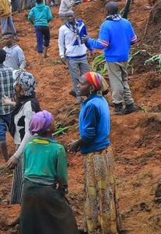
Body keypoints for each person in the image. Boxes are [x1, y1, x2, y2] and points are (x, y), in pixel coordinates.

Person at [69, 72, 120, 234]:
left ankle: (99, 228)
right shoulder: (100, 100)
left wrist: (76, 143)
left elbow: (89, 134)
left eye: (82, 84)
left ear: (91, 88)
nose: (78, 86)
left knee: (96, 192)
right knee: (106, 190)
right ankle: (109, 225)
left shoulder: (91, 105)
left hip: (96, 155)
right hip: (105, 151)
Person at [17, 111, 77, 234]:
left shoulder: (29, 146)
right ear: (49, 128)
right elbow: (61, 175)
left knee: (31, 221)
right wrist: (63, 188)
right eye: (53, 121)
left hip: (28, 190)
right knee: (65, 218)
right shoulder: (57, 149)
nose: (55, 123)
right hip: (47, 191)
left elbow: (25, 169)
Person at [88, 2, 139, 115]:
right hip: (125, 56)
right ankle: (129, 103)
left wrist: (89, 41)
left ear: (107, 12)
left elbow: (102, 44)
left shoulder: (106, 25)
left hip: (113, 58)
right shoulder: (126, 23)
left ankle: (118, 105)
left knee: (116, 81)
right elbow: (134, 40)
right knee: (124, 79)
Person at [6, 72, 41, 209]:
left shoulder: (29, 106)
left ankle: (28, 213)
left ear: (21, 88)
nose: (15, 88)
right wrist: (11, 103)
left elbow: (30, 132)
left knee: (26, 183)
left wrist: (16, 155)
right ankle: (25, 213)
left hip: (26, 148)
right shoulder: (28, 102)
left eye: (18, 86)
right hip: (24, 147)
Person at [58, 10, 91, 103]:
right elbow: (61, 43)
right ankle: (79, 96)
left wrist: (90, 48)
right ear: (65, 18)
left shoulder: (81, 25)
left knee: (86, 77)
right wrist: (62, 55)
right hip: (71, 57)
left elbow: (86, 37)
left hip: (83, 55)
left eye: (71, 16)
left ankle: (88, 94)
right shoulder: (63, 29)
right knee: (75, 78)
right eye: (68, 16)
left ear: (74, 16)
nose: (70, 18)